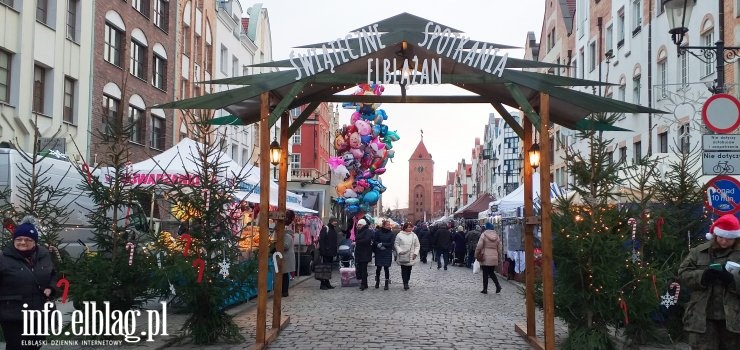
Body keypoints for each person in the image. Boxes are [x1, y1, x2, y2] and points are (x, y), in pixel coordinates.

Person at [678, 214, 740, 349]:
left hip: (734, 319)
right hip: (702, 317)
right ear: (715, 235)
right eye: (721, 237)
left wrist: (732, 280)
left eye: (729, 239)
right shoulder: (699, 252)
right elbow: (683, 273)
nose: (724, 241)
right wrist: (703, 276)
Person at [0, 216, 57, 350]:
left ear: (35, 241)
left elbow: (52, 275)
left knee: (35, 344)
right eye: (19, 239)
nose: (23, 242)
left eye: (28, 239)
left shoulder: (43, 255)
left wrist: (50, 287)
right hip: (13, 314)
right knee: (17, 346)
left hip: (38, 312)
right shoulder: (3, 258)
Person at [475, 223, 503, 294]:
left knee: (485, 273)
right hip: (494, 256)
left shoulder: (483, 235)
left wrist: (476, 253)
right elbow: (499, 248)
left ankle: (485, 289)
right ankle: (498, 286)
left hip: (485, 256)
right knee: (491, 272)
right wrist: (499, 257)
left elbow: (479, 246)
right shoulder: (497, 236)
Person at [395, 222, 420, 290]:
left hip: (411, 255)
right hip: (403, 255)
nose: (410, 228)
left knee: (409, 269)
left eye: (411, 227)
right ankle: (405, 283)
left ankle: (407, 281)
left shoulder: (414, 235)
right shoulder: (399, 235)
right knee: (404, 269)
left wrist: (415, 253)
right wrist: (400, 251)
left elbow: (417, 245)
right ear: (405, 228)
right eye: (409, 227)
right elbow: (396, 244)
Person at [317, 217, 339, 290]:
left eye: (336, 221)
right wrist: (323, 251)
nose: (335, 222)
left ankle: (327, 282)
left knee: (328, 268)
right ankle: (322, 284)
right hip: (326, 252)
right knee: (325, 268)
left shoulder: (333, 229)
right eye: (334, 221)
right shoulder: (326, 228)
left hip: (331, 253)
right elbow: (321, 240)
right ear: (331, 222)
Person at [373, 219, 394, 290]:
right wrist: (378, 245)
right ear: (384, 225)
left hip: (387, 252)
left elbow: (391, 243)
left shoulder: (391, 233)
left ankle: (386, 283)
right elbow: (375, 240)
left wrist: (383, 244)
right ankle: (377, 282)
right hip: (379, 252)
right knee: (378, 268)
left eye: (389, 225)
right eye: (387, 225)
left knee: (386, 268)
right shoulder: (378, 232)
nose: (389, 226)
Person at [353, 218, 373, 291]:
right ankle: (365, 283)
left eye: (360, 224)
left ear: (364, 225)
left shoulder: (367, 231)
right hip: (359, 252)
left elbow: (367, 240)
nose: (358, 226)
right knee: (361, 268)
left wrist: (356, 242)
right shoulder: (359, 231)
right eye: (358, 224)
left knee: (363, 269)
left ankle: (363, 284)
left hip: (365, 253)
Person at [280, 210, 296, 297]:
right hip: (286, 258)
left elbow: (285, 246)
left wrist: (277, 245)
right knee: (284, 274)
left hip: (287, 258)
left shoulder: (287, 236)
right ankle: (284, 291)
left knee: (285, 275)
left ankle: (284, 291)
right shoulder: (287, 235)